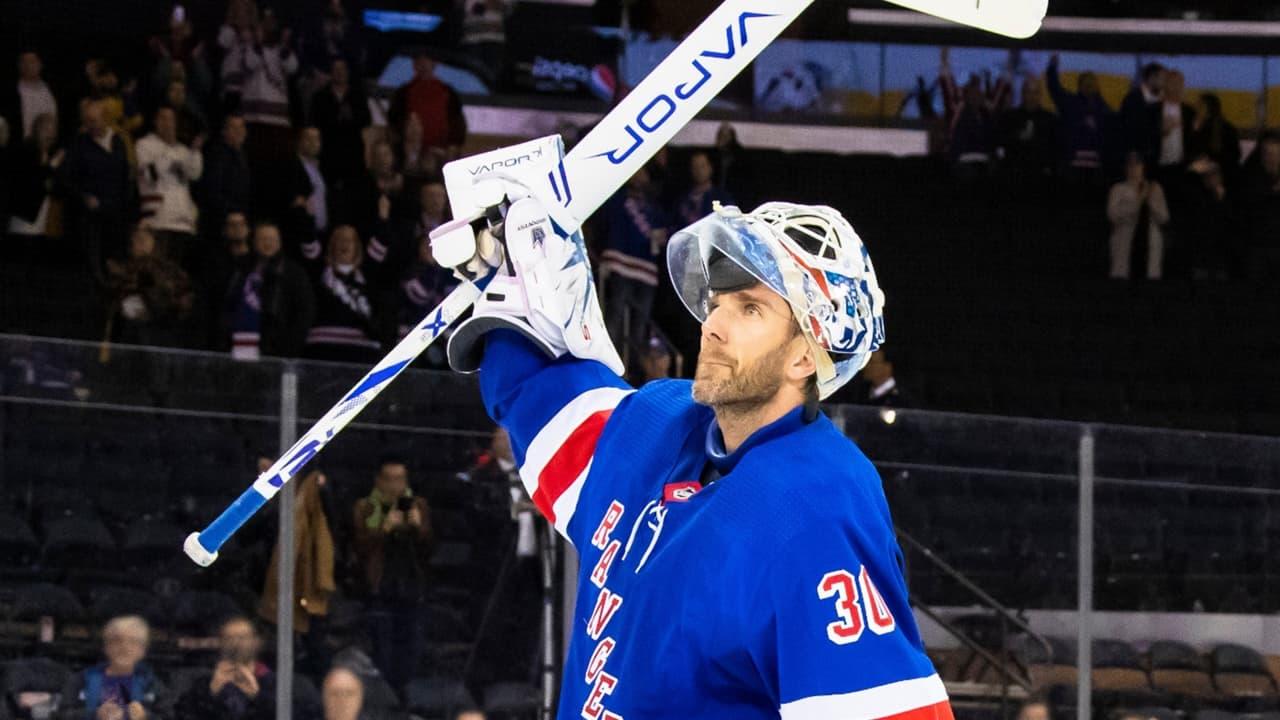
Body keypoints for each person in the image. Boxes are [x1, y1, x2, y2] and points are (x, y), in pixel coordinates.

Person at [440, 184, 948, 717]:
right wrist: (507, 296)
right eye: (718, 301)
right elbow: (545, 405)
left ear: (804, 356)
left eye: (750, 308)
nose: (714, 326)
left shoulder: (818, 502)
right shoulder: (661, 421)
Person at [353, 455, 433, 692]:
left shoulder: (418, 505)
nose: (394, 486)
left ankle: (405, 699)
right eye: (389, 479)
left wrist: (419, 527)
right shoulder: (366, 507)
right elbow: (358, 548)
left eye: (400, 479)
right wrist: (384, 529)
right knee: (383, 651)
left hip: (412, 588)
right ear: (378, 481)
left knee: (411, 651)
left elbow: (430, 550)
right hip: (380, 588)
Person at [60, 99, 132, 283]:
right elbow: (66, 178)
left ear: (105, 119)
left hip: (115, 217)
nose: (89, 125)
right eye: (86, 121)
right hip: (90, 218)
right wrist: (84, 196)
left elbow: (125, 178)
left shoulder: (118, 143)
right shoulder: (79, 144)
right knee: (94, 270)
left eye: (93, 120)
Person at [601, 166, 667, 361]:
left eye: (643, 171)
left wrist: (662, 234)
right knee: (616, 315)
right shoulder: (617, 197)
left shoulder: (653, 204)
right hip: (620, 263)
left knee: (640, 323)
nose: (640, 175)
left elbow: (667, 227)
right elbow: (605, 223)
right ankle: (609, 365)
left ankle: (633, 369)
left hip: (646, 268)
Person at [223, 221, 315, 359]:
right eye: (263, 239)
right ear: (253, 241)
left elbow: (303, 315)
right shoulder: (238, 268)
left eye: (272, 239)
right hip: (234, 349)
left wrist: (286, 352)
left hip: (273, 354)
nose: (268, 243)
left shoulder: (293, 273)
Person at [58, 616, 168, 720]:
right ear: (106, 647)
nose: (124, 647)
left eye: (133, 642)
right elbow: (60, 716)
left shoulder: (152, 683)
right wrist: (94, 714)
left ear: (142, 650)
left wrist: (146, 716)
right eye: (117, 640)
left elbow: (169, 716)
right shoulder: (80, 680)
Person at [105, 225, 194, 348]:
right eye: (136, 238)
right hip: (128, 336)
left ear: (155, 242)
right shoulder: (122, 271)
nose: (140, 243)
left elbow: (181, 301)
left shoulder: (171, 271)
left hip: (161, 332)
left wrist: (152, 301)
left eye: (144, 238)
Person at [136, 106, 204, 265]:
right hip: (159, 221)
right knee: (159, 268)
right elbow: (150, 174)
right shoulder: (144, 145)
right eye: (163, 118)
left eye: (171, 119)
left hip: (183, 221)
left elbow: (194, 174)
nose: (167, 123)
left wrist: (194, 152)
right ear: (155, 121)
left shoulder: (182, 149)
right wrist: (168, 150)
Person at [304, 225, 383, 362]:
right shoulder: (319, 273)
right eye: (340, 240)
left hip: (362, 353)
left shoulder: (367, 278)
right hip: (323, 351)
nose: (344, 244)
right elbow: (308, 240)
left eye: (349, 240)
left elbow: (383, 241)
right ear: (332, 245)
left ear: (356, 246)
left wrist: (383, 219)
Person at [173, 616, 275, 720]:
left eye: (243, 637)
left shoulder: (274, 682)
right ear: (221, 643)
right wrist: (210, 692)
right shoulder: (203, 681)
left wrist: (257, 696)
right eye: (229, 638)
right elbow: (181, 714)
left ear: (256, 642)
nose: (236, 644)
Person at [387, 52, 466, 165]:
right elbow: (394, 125)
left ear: (435, 63)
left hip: (441, 157)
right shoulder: (403, 93)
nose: (423, 64)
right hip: (410, 158)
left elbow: (457, 127)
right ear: (414, 64)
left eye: (427, 60)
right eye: (419, 61)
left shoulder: (448, 93)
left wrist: (450, 151)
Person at [7, 112, 63, 259]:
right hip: (25, 212)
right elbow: (30, 181)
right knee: (22, 253)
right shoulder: (27, 149)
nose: (50, 134)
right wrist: (50, 167)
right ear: (37, 129)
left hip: (43, 213)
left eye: (53, 129)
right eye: (46, 129)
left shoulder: (52, 151)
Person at [309, 58, 370, 189]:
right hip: (329, 153)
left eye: (342, 69)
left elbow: (366, 120)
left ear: (348, 72)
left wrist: (351, 117)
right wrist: (336, 117)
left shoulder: (357, 95)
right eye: (336, 70)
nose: (340, 73)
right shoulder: (320, 97)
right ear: (331, 73)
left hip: (353, 154)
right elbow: (315, 121)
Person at [1108, 152, 1170, 280]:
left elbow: (1164, 218)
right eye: (1130, 165)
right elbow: (1113, 215)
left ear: (1143, 167)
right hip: (1125, 245)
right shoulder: (1118, 189)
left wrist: (1150, 201)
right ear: (1125, 168)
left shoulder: (1154, 188)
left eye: (1137, 164)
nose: (1134, 168)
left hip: (1150, 245)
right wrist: (1138, 200)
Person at [198, 114, 252, 240]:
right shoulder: (217, 155)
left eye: (241, 127)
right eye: (233, 127)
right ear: (224, 131)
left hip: (240, 217)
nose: (239, 131)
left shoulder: (244, 156)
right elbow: (212, 190)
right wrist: (231, 212)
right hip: (221, 220)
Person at [1239, 132, 1280, 282]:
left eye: (1276, 154)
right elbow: (1247, 204)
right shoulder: (1251, 176)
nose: (1272, 159)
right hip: (1256, 246)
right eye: (1268, 154)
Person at [4, 51, 58, 140]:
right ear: (19, 66)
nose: (28, 66)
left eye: (32, 61)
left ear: (40, 64)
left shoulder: (51, 89)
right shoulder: (11, 94)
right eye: (24, 62)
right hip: (23, 146)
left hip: (52, 145)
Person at [1188, 93, 1240, 186]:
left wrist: (1213, 164)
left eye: (1200, 106)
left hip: (1222, 176)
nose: (1196, 109)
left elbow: (1233, 156)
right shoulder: (1199, 127)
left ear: (1208, 110)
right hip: (1206, 173)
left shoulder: (1226, 130)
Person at [1121, 62, 1165, 168]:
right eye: (1162, 78)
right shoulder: (1133, 99)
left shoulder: (1162, 101)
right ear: (1151, 78)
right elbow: (1129, 128)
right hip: (1136, 158)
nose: (1164, 82)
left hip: (1156, 158)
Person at [673, 150, 732, 227]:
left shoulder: (722, 198)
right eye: (695, 167)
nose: (699, 171)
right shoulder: (682, 200)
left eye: (703, 166)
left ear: (710, 168)